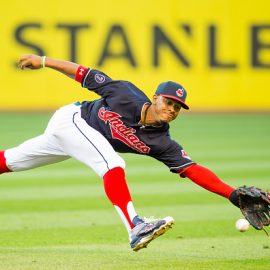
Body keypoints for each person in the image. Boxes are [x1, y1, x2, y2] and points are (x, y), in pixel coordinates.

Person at [0, 55, 269, 251]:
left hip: (75, 140)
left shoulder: (162, 142)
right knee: (111, 162)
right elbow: (82, 72)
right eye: (169, 102)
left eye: (178, 107)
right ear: (155, 98)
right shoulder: (125, 92)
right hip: (71, 119)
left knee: (12, 161)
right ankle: (135, 226)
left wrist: (231, 193)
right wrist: (44, 61)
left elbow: (192, 169)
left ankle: (135, 226)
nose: (172, 109)